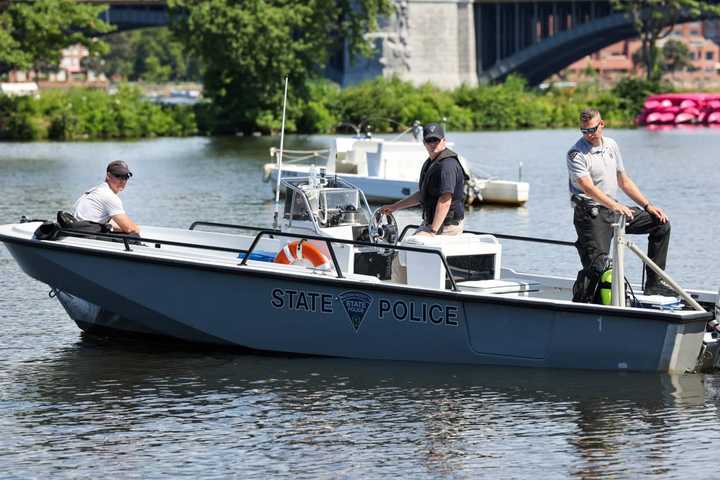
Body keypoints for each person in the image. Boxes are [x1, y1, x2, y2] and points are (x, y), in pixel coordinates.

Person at [567, 108, 672, 297]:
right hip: (590, 215)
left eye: (592, 129)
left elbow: (623, 180)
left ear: (602, 125)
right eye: (584, 131)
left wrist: (648, 206)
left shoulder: (611, 146)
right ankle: (581, 303)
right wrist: (615, 205)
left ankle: (654, 284)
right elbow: (587, 187)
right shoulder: (576, 153)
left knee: (660, 224)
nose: (589, 135)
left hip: (613, 210)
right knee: (598, 267)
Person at [381, 122, 466, 236]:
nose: (432, 144)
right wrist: (395, 206)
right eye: (429, 141)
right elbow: (422, 195)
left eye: (436, 140)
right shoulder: (431, 162)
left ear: (444, 141)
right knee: (407, 246)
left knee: (413, 244)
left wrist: (432, 231)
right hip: (431, 223)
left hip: (446, 226)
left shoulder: (447, 165)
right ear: (424, 143)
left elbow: (445, 200)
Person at [74, 160, 140, 235]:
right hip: (86, 235)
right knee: (134, 235)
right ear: (108, 176)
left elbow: (110, 222)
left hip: (79, 230)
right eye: (118, 176)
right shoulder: (109, 196)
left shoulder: (95, 190)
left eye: (126, 177)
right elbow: (131, 229)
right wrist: (135, 228)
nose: (123, 181)